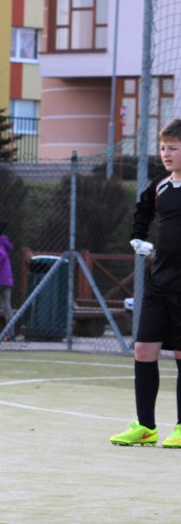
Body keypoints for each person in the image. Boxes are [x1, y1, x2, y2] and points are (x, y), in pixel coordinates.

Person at [110, 118, 181, 448]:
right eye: (163, 148)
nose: (166, 153)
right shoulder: (160, 186)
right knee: (143, 350)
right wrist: (137, 238)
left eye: (173, 148)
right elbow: (142, 210)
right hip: (158, 282)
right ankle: (146, 427)